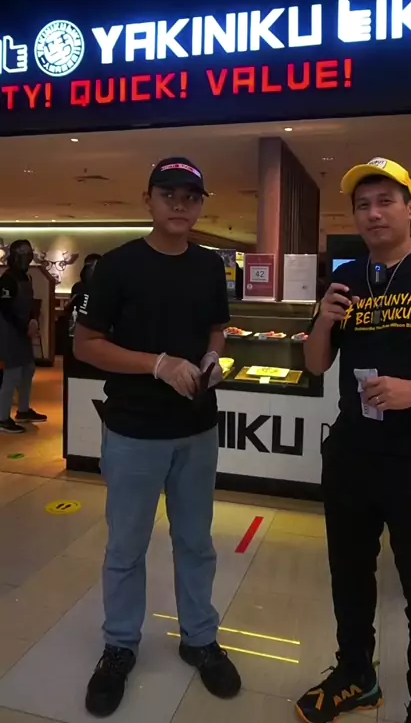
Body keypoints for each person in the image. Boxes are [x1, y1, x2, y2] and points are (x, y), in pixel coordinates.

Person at [296, 158, 411, 723]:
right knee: (350, 578)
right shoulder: (347, 278)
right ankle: (356, 675)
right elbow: (315, 365)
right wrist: (323, 321)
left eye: (385, 202)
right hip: (350, 456)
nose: (373, 214)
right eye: (362, 205)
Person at [74, 157, 241, 718]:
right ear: (147, 199)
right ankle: (120, 645)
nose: (179, 204)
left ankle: (200, 638)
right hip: (133, 431)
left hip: (196, 429)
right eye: (168, 193)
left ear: (201, 205)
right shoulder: (118, 266)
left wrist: (213, 355)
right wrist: (157, 364)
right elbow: (86, 344)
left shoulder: (209, 265)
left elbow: (216, 326)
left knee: (196, 541)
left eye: (190, 196)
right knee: (126, 546)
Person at [0, 240, 47, 434]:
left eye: (28, 252)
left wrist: (33, 320)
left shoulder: (27, 277)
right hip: (8, 333)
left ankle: (23, 410)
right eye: (22, 252)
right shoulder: (7, 280)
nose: (26, 256)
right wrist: (23, 326)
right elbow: (5, 309)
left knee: (28, 370)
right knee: (11, 376)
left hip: (23, 332)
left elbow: (28, 304)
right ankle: (2, 418)